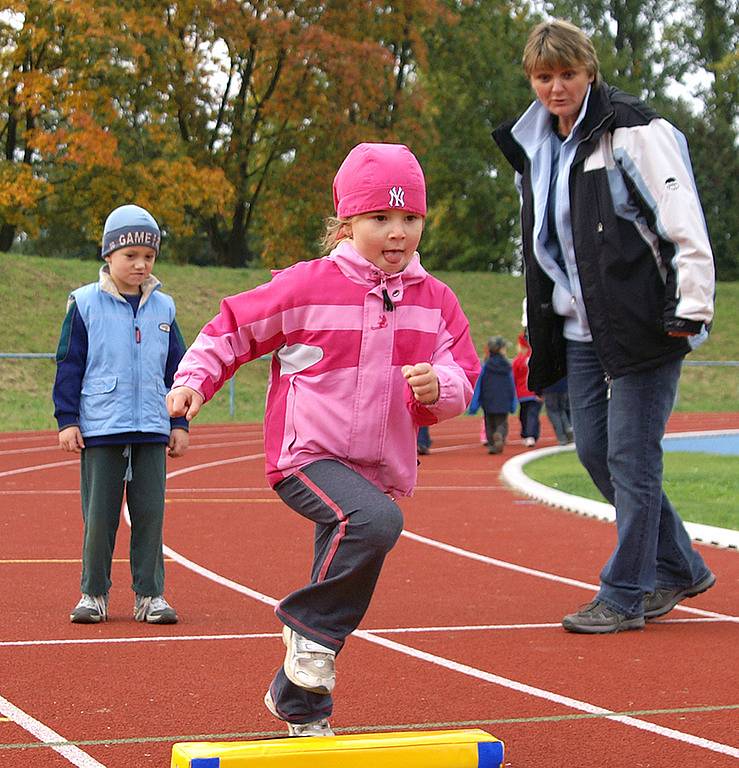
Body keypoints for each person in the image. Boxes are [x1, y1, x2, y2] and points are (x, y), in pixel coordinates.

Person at [166, 143, 479, 735]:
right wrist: (191, 383)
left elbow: (463, 374)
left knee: (345, 560)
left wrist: (438, 385)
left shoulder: (436, 301)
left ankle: (301, 702)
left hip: (376, 464)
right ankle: (304, 628)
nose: (397, 232)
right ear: (346, 222)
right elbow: (232, 329)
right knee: (376, 524)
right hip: (305, 455)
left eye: (409, 218)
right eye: (379, 219)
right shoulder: (305, 286)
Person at [493, 19, 716, 634]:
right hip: (578, 327)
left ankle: (625, 592)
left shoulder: (633, 131)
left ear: (589, 71)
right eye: (545, 77)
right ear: (532, 80)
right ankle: (679, 566)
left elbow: (681, 219)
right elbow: (542, 245)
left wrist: (690, 306)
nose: (557, 87)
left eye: (568, 74)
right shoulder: (535, 146)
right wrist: (533, 319)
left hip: (646, 322)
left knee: (632, 457)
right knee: (593, 449)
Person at [53, 204, 190, 625]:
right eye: (130, 255)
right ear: (108, 255)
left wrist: (179, 423)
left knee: (150, 516)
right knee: (99, 518)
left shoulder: (164, 308)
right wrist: (67, 419)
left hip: (151, 426)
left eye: (148, 256)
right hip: (101, 427)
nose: (140, 264)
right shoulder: (85, 304)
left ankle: (150, 596)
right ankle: (93, 594)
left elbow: (179, 370)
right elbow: (69, 364)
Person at [468, 336, 516, 454]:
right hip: (503, 399)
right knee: (502, 421)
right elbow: (511, 384)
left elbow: (479, 384)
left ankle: (492, 445)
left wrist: (475, 403)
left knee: (489, 423)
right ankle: (500, 433)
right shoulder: (507, 367)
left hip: (488, 399)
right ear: (500, 349)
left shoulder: (485, 366)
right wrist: (513, 402)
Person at [512, 332, 542, 447]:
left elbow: (514, 376)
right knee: (532, 414)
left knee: (525, 414)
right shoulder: (536, 357)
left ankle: (527, 434)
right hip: (534, 392)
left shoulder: (518, 360)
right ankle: (531, 434)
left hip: (523, 394)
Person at [542, 376, 574, 446]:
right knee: (562, 410)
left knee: (553, 413)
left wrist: (538, 391)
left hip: (549, 388)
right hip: (564, 387)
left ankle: (562, 437)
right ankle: (568, 428)